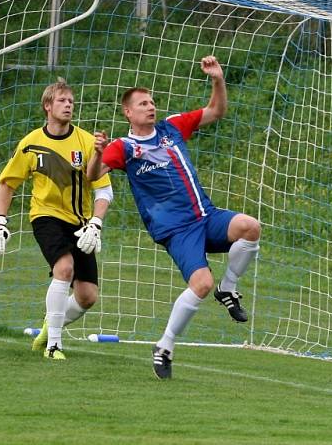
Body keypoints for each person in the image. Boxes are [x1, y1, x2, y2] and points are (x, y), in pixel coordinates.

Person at [87, 55, 261, 380]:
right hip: (177, 231)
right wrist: (97, 154)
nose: (150, 107)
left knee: (250, 227)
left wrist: (217, 79)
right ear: (128, 112)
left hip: (205, 215)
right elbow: (92, 176)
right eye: (142, 104)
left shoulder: (172, 126)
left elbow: (216, 111)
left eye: (151, 101)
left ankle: (230, 287)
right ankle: (165, 346)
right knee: (201, 283)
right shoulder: (123, 148)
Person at [0, 78, 113, 360]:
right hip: (45, 216)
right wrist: (0, 221)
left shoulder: (86, 141)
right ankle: (54, 345)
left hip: (81, 223)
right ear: (48, 106)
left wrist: (96, 221)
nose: (68, 105)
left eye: (71, 101)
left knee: (87, 296)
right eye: (62, 101)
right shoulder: (31, 143)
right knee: (64, 268)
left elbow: (103, 188)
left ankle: (50, 324)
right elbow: (8, 183)